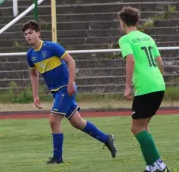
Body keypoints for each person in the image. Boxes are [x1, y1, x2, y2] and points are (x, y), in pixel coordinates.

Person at [22, 20, 117, 164]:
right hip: (56, 92)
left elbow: (71, 61)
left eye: (30, 33)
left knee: (54, 120)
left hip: (65, 89)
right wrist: (35, 95)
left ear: (38, 33)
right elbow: (34, 75)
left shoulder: (52, 47)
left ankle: (57, 158)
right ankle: (107, 139)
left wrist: (71, 83)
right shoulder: (30, 55)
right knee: (77, 122)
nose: (28, 36)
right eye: (25, 34)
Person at [118, 6, 171, 172]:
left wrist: (127, 86)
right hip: (158, 84)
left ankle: (161, 167)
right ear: (137, 21)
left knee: (136, 127)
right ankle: (151, 168)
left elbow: (131, 61)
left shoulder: (126, 40)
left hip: (146, 87)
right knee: (143, 127)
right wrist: (158, 80)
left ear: (122, 22)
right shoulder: (148, 37)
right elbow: (160, 62)